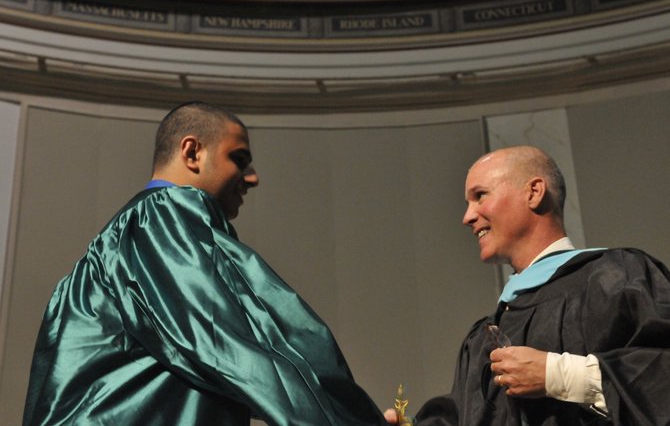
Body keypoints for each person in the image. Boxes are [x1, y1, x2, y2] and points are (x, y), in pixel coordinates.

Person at [23, 101, 387, 426]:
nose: (253, 178)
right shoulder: (159, 218)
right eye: (239, 159)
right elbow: (239, 344)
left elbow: (194, 373)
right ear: (193, 152)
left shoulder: (121, 245)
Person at [385, 145, 670, 425]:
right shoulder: (482, 338)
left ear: (533, 192)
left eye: (480, 195)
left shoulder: (617, 276)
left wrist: (558, 375)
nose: (467, 217)